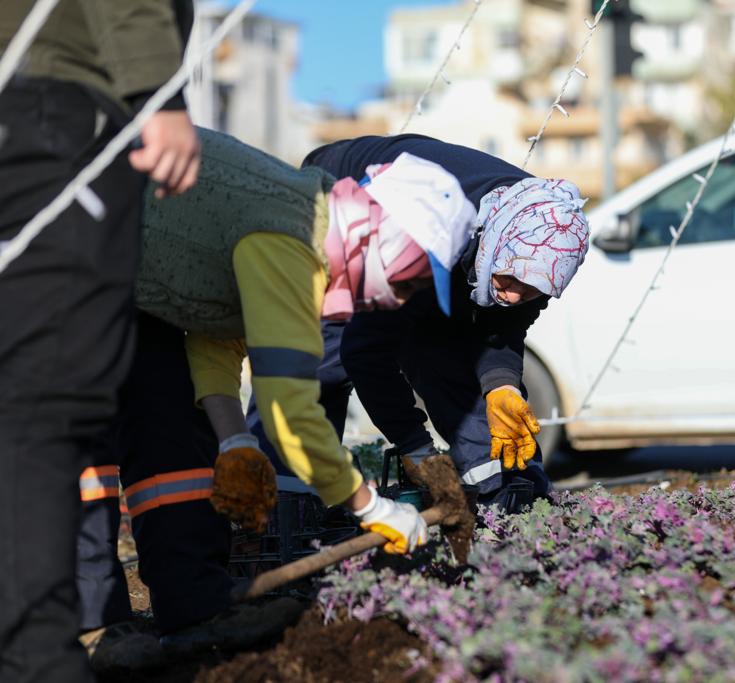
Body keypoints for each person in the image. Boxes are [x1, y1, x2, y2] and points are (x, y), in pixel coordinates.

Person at [75, 127, 480, 663]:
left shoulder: (306, 231)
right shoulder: (290, 239)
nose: (397, 300)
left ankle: (196, 608)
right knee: (79, 442)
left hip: (137, 282)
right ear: (383, 235)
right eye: (407, 282)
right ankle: (90, 622)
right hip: (64, 252)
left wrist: (233, 440)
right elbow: (290, 411)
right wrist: (370, 505)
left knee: (172, 429)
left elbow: (215, 332)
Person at [0, 2, 200, 680]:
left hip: (32, 96)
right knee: (48, 392)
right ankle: (37, 656)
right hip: (57, 105)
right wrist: (159, 89)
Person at [247, 135, 590, 509]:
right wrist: (416, 448)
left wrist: (501, 385)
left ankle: (515, 501)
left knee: (451, 359)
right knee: (318, 362)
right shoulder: (438, 236)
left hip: (449, 247)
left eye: (531, 291)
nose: (513, 296)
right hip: (345, 202)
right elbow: (365, 353)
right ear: (496, 246)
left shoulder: (544, 241)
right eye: (509, 282)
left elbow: (501, 330)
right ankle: (278, 506)